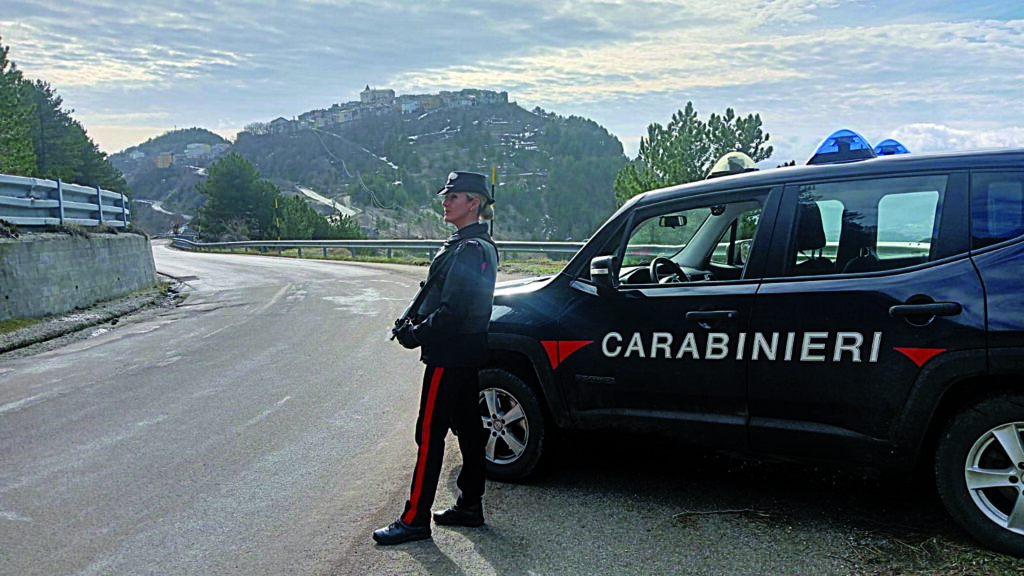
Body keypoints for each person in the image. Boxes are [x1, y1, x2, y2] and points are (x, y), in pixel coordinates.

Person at [373, 171, 499, 546]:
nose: (445, 201)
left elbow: (453, 313)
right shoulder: (477, 244)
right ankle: (469, 506)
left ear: (473, 203)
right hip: (466, 352)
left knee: (429, 433)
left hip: (448, 354)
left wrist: (415, 335)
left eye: (454, 196)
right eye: (445, 195)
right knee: (470, 429)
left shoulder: (467, 249)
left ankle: (414, 519)